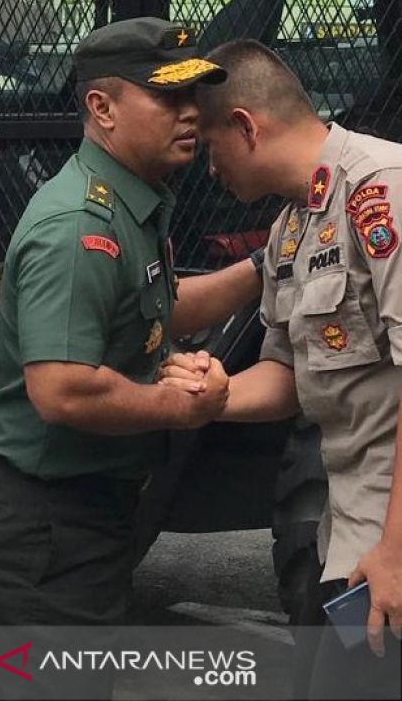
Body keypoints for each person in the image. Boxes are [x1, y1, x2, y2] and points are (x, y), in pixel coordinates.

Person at [0, 17, 265, 698]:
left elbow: (159, 306)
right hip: (48, 529)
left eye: (194, 96)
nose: (191, 114)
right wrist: (182, 407)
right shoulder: (80, 227)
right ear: (101, 107)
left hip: (81, 518)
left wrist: (264, 268)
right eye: (167, 97)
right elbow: (62, 391)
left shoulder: (130, 202)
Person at [161, 38, 401, 699]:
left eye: (210, 147)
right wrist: (215, 395)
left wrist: (395, 552)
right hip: (349, 528)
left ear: (245, 127)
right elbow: (290, 375)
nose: (209, 169)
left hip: (389, 537)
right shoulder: (291, 232)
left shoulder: (383, 190)